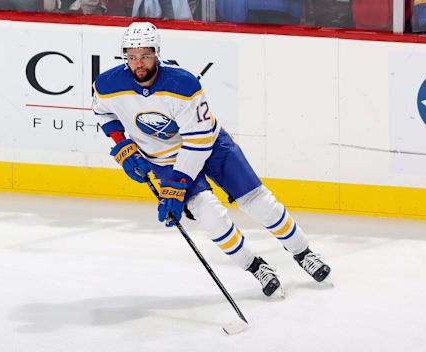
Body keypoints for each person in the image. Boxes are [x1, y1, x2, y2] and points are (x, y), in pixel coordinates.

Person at [92, 22, 331, 297]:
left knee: (259, 202)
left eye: (145, 55)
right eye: (132, 56)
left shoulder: (182, 83)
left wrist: (179, 183)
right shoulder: (108, 84)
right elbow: (103, 112)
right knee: (210, 217)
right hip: (165, 160)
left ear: (156, 53)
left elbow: (198, 140)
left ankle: (303, 253)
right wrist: (123, 146)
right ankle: (257, 267)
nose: (139, 63)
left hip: (211, 145)